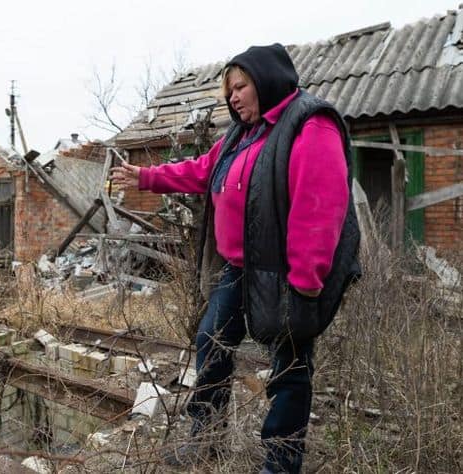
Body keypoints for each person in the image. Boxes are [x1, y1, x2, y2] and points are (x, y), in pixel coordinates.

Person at [111, 43, 360, 473]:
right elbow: (201, 170)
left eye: (240, 87)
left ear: (265, 80)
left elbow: (320, 207)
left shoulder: (309, 124)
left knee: (289, 367)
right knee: (211, 341)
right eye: (230, 91)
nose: (233, 97)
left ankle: (281, 463)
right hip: (238, 270)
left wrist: (305, 282)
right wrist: (145, 177)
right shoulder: (240, 134)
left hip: (288, 276)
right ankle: (205, 438)